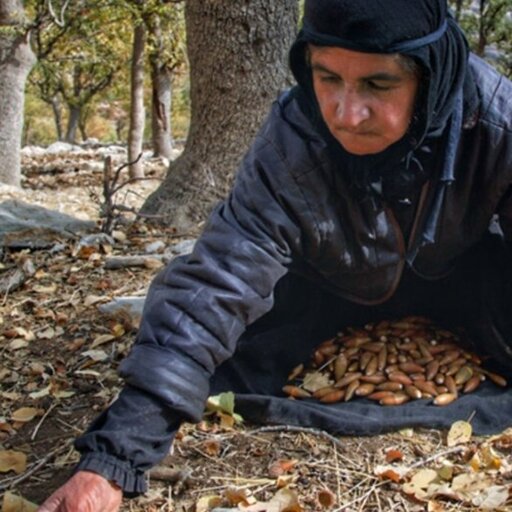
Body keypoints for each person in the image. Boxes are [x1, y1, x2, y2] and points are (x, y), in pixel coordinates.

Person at [39, 0, 512, 510]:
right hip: (329, 292)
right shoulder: (292, 138)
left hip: (456, 283)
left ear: (431, 77)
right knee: (227, 347)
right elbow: (223, 277)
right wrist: (115, 458)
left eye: (378, 84)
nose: (347, 114)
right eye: (327, 77)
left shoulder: (498, 123)